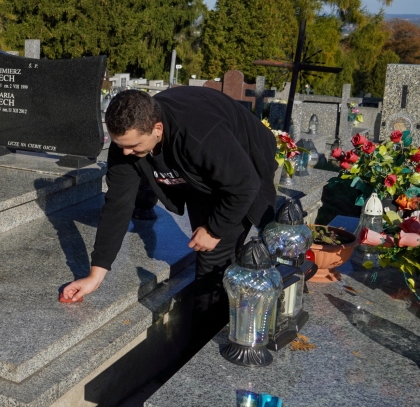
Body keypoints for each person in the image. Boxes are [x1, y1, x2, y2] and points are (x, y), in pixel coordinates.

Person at [62, 88, 277, 338]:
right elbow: (117, 207)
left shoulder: (200, 134)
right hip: (199, 168)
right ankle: (212, 329)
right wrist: (95, 275)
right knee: (207, 243)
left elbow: (244, 184)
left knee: (214, 254)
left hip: (244, 155)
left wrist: (215, 229)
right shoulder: (126, 145)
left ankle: (209, 340)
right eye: (120, 145)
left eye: (133, 146)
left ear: (157, 129)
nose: (125, 153)